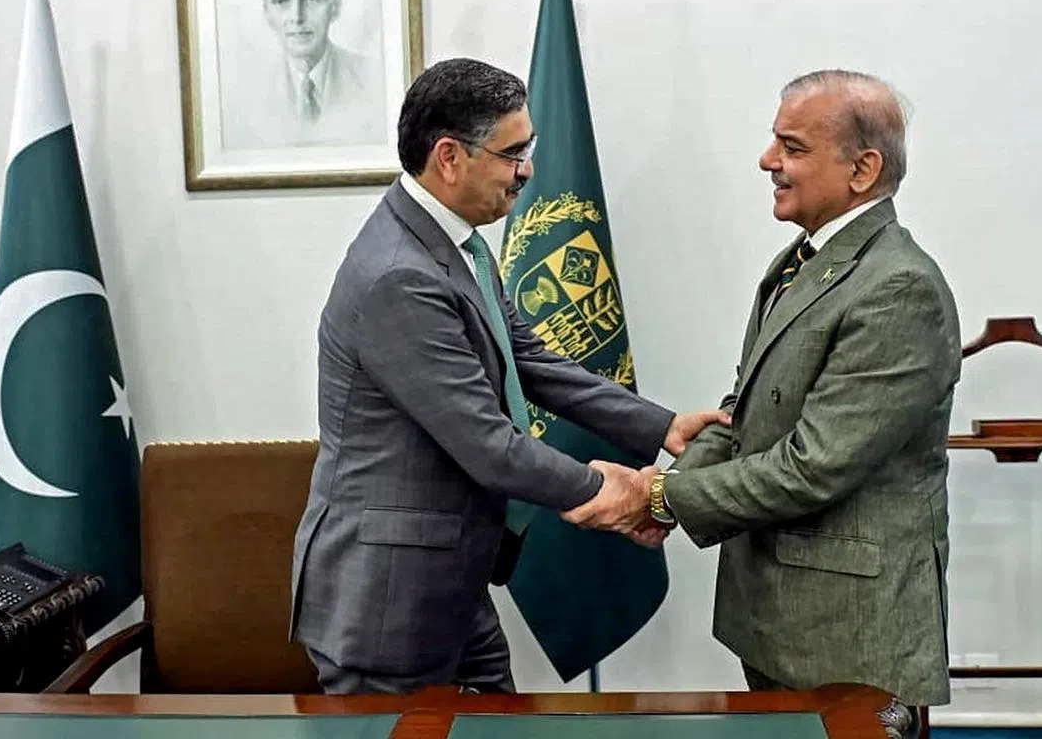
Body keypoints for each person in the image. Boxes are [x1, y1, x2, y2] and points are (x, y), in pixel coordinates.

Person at [289, 57, 726, 695]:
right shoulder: (399, 277)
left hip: (450, 575)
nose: (528, 171)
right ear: (449, 157)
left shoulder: (455, 240)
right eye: (513, 152)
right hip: (387, 599)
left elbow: (529, 358)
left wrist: (663, 426)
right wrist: (609, 491)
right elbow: (488, 446)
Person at [643, 70, 961, 736]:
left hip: (853, 638)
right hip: (778, 617)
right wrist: (665, 483)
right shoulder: (801, 263)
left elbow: (813, 466)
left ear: (862, 169)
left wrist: (658, 500)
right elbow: (745, 412)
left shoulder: (898, 286)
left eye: (791, 147)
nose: (767, 161)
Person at [223, 0, 386, 149]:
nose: (297, 17)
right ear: (267, 12)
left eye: (311, 0)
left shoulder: (375, 78)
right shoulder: (244, 93)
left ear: (336, 6)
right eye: (282, 2)